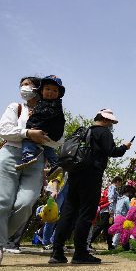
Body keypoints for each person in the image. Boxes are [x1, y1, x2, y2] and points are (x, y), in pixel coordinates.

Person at [49, 109, 132, 264]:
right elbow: (111, 151)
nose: (111, 126)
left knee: (68, 211)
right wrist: (124, 147)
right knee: (86, 213)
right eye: (111, 123)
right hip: (91, 176)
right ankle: (80, 253)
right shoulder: (104, 133)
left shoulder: (85, 131)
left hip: (74, 174)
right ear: (106, 120)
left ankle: (57, 252)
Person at [0, 76, 60, 265]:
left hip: (36, 158)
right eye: (22, 85)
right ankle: (0, 243)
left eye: (29, 85)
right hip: (10, 153)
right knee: (3, 201)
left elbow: (58, 140)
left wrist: (39, 139)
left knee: (26, 203)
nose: (24, 88)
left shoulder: (53, 111)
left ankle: (1, 236)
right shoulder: (15, 108)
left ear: (39, 89)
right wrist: (28, 133)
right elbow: (4, 130)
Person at [15, 76, 65, 181]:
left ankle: (28, 155)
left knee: (29, 135)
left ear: (59, 93)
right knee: (47, 146)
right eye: (47, 89)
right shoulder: (43, 103)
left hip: (49, 129)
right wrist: (33, 113)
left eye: (54, 90)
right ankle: (55, 163)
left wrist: (35, 113)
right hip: (50, 132)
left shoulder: (55, 103)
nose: (50, 92)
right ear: (41, 91)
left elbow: (48, 113)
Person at [89, 176, 122, 251]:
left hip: (107, 211)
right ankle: (89, 242)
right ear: (117, 181)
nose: (120, 184)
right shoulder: (112, 187)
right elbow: (110, 198)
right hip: (107, 211)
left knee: (108, 229)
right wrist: (111, 209)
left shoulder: (111, 188)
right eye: (120, 182)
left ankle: (110, 245)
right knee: (100, 226)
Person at [41, 172, 69, 251]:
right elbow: (56, 173)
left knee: (64, 218)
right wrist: (54, 190)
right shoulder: (63, 161)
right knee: (51, 216)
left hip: (68, 189)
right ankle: (46, 242)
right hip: (57, 189)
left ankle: (56, 241)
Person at [112, 185, 135, 249]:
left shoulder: (119, 198)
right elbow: (129, 208)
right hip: (122, 217)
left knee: (119, 232)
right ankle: (115, 245)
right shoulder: (126, 199)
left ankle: (116, 244)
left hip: (116, 216)